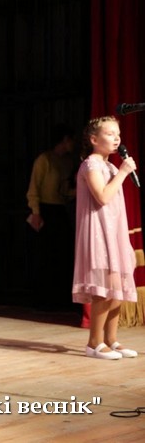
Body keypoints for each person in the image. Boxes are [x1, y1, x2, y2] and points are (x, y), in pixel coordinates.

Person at [72, 116, 137, 360]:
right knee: (104, 290)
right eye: (110, 134)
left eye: (118, 134)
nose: (116, 138)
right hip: (98, 233)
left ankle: (111, 339)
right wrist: (124, 172)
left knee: (118, 289)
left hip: (114, 233)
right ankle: (94, 343)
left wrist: (125, 241)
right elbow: (102, 196)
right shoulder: (91, 164)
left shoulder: (110, 167)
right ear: (93, 139)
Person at [26, 123, 77, 310]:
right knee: (46, 256)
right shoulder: (44, 159)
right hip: (45, 210)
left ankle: (61, 299)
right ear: (65, 139)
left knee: (63, 255)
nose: (74, 143)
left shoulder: (68, 161)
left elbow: (64, 192)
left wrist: (78, 191)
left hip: (60, 210)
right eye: (71, 139)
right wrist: (36, 212)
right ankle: (44, 300)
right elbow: (34, 188)